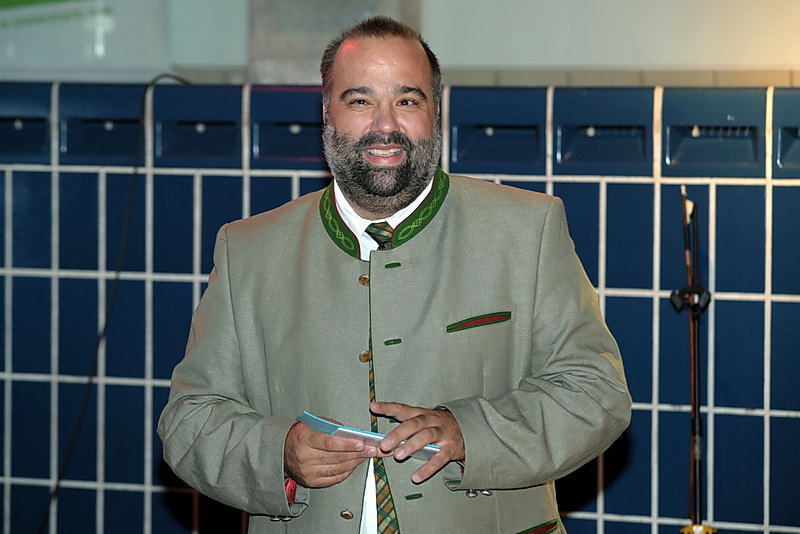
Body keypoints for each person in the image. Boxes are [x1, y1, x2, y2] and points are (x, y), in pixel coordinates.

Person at [158, 16, 631, 534]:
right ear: (327, 113)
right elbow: (190, 420)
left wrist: (469, 432)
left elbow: (595, 393)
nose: (385, 125)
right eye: (360, 100)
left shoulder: (527, 230)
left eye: (407, 100)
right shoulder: (249, 250)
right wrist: (279, 451)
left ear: (436, 113)